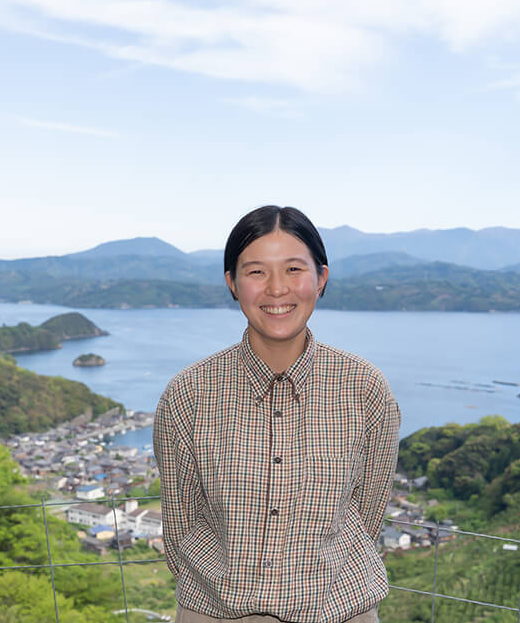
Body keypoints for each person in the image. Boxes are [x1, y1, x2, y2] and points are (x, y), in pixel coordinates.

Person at [153, 205, 401, 623]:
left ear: (321, 278)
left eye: (293, 270)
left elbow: (368, 513)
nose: (276, 289)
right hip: (216, 612)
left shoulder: (364, 389)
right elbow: (179, 523)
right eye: (255, 272)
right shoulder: (189, 393)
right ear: (232, 282)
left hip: (338, 611)